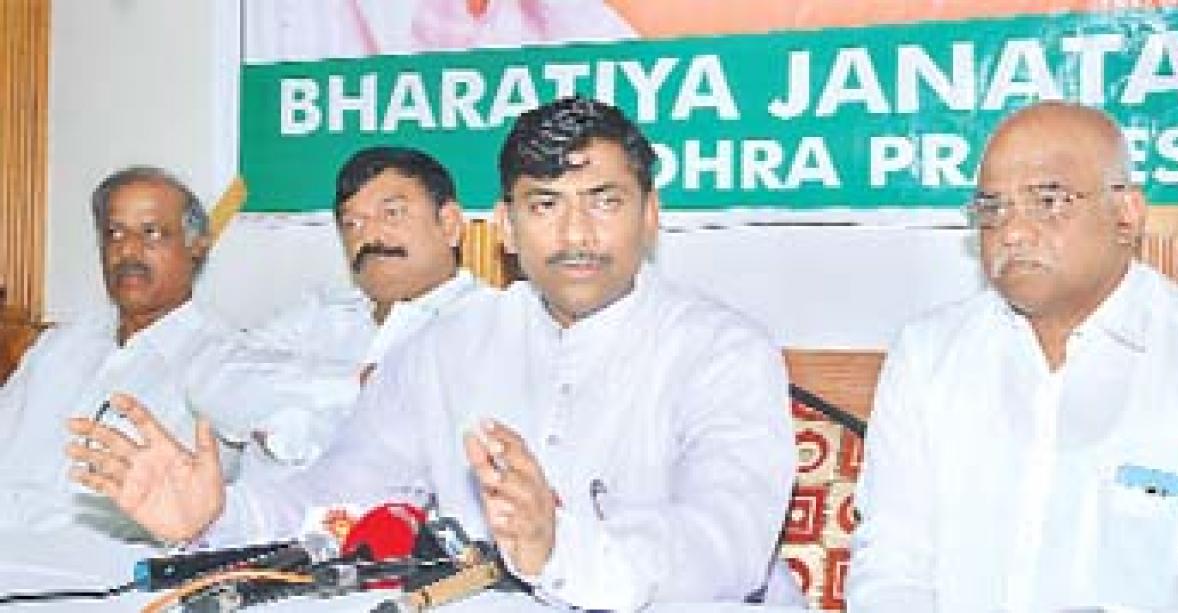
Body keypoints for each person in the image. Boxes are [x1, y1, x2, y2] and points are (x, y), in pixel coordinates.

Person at [66, 97, 798, 610]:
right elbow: (340, 492)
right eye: (546, 204)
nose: (576, 233)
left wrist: (561, 546)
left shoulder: (724, 350)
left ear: (652, 215)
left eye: (604, 200)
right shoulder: (450, 347)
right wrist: (216, 515)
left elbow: (723, 542)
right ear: (506, 226)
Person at [847, 101, 1178, 611]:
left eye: (1048, 200)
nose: (1012, 231)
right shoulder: (928, 355)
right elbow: (892, 567)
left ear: (1126, 214)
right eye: (992, 208)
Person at [196, 146, 481, 466]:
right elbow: (213, 379)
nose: (370, 236)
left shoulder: (491, 325)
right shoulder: (318, 316)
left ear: (450, 224)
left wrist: (288, 415)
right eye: (352, 224)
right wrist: (355, 383)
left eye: (392, 213)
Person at [0, 166, 241, 541]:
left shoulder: (221, 364)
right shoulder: (59, 347)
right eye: (114, 233)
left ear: (197, 244)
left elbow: (160, 519)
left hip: (91, 578)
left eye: (151, 233)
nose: (127, 250)